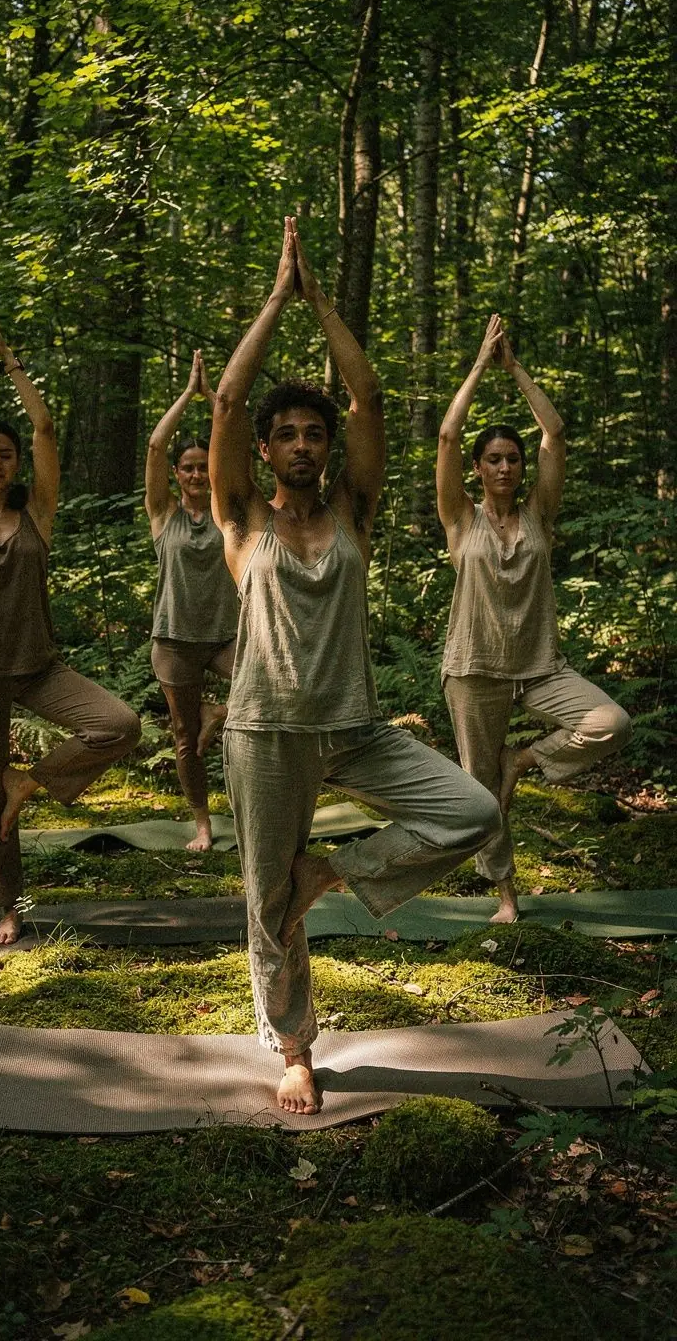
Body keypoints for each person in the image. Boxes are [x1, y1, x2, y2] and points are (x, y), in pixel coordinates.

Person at [210, 218, 501, 1116]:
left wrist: (319, 298)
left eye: (313, 433)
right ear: (265, 450)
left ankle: (330, 874)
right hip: (264, 734)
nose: (302, 444)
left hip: (356, 727)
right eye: (286, 434)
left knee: (472, 811)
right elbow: (224, 403)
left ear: (327, 448)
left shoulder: (354, 516)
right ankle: (294, 1045)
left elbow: (369, 397)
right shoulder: (242, 521)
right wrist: (273, 300)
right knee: (267, 902)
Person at [0, 294, 141, 944]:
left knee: (118, 724)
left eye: (5, 455)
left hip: (36, 665)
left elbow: (46, 427)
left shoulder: (36, 516)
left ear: (16, 464)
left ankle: (35, 780)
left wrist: (10, 359)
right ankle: (8, 907)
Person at [436, 313, 632, 924]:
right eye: (493, 459)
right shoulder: (460, 519)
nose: (504, 468)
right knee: (481, 792)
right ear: (478, 468)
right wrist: (475, 367)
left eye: (512, 459)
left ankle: (525, 760)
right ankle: (505, 897)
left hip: (541, 667)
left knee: (611, 721)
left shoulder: (539, 515)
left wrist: (513, 366)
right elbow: (446, 437)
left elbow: (555, 432)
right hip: (474, 670)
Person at [145, 349, 239, 850]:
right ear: (178, 474)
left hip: (227, 638)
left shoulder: (229, 511)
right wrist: (189, 395)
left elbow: (237, 452)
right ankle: (202, 825)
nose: (197, 475)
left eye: (204, 467)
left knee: (264, 686)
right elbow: (156, 447)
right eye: (188, 468)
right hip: (175, 640)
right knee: (184, 739)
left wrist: (218, 405)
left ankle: (219, 711)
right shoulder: (164, 515)